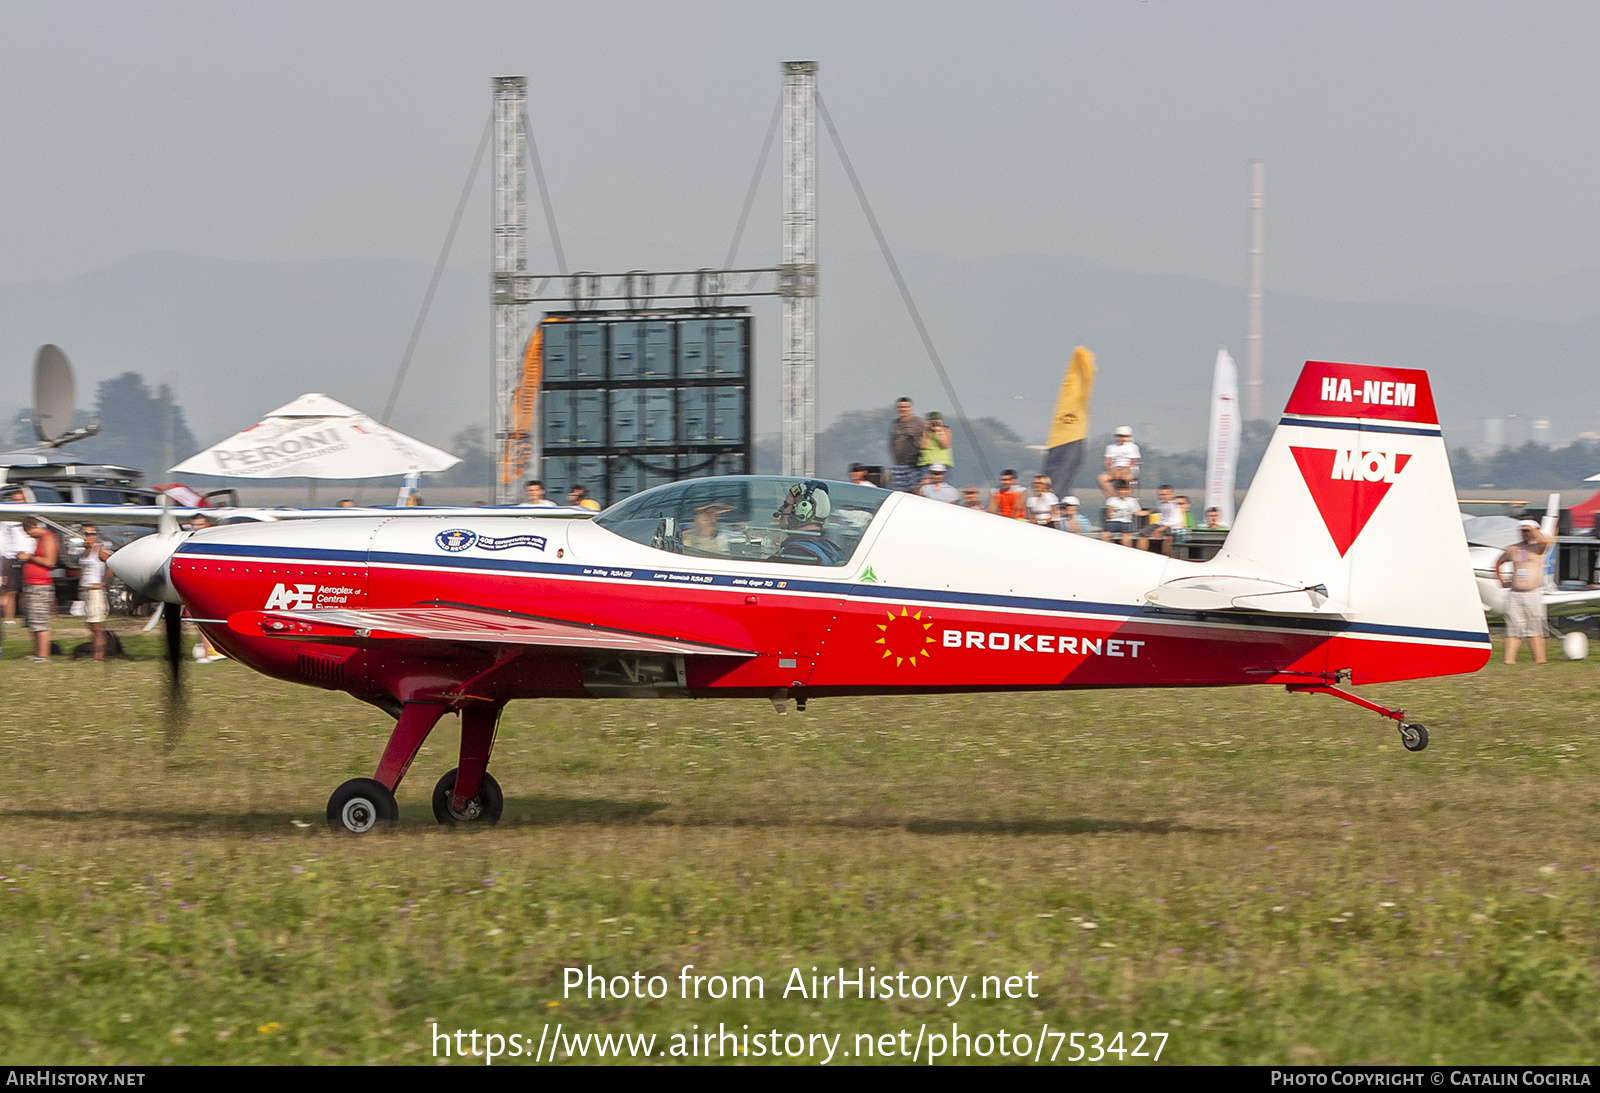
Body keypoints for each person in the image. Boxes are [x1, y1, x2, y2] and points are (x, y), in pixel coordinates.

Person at [1496, 520, 1550, 665]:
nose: (1525, 534)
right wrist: (1501, 580)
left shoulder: (1539, 548)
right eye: (1522, 531)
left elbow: (1544, 541)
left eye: (1528, 531)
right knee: (1513, 628)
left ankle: (1540, 660)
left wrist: (1532, 529)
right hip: (1515, 593)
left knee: (1535, 627)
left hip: (1533, 592)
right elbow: (1498, 562)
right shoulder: (1513, 548)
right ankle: (1509, 661)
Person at [771, 481, 845, 565]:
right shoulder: (829, 548)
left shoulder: (794, 555)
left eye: (786, 505)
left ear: (802, 511)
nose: (780, 509)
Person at [17, 516, 58, 661]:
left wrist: (29, 558)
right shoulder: (39, 541)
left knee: (40, 621)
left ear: (34, 527)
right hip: (31, 584)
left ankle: (44, 655)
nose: (30, 536)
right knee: (33, 621)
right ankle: (37, 652)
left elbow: (49, 561)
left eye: (29, 533)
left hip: (41, 585)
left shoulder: (48, 538)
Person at [77, 525, 112, 661]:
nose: (88, 536)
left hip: (95, 591)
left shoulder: (99, 550)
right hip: (85, 590)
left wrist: (103, 583)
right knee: (90, 624)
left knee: (97, 625)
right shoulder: (85, 551)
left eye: (91, 533)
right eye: (85, 533)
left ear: (96, 535)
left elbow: (111, 564)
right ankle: (96, 653)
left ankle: (99, 656)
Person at [887, 398, 926, 493]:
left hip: (914, 464)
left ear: (910, 408)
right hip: (899, 464)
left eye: (905, 407)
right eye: (900, 407)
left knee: (915, 490)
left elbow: (926, 438)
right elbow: (892, 441)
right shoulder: (895, 423)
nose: (903, 409)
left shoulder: (918, 422)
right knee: (900, 491)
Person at [0, 488, 26, 627]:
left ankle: (27, 618)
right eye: (15, 499)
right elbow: (3, 538)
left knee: (28, 590)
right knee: (11, 590)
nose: (17, 502)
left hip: (29, 557)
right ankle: (9, 618)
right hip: (12, 557)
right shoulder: (7, 519)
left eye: (19, 499)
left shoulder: (30, 516)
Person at [1097, 426, 1141, 497]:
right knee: (1102, 478)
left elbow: (1133, 462)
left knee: (1128, 478)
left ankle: (1127, 498)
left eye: (1124, 436)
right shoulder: (1111, 447)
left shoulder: (1133, 447)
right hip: (1115, 468)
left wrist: (1122, 472)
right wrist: (1112, 472)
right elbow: (1108, 462)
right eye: (1120, 436)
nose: (1122, 438)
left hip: (1128, 469)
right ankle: (1113, 498)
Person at [1141, 485, 1184, 555]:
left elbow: (1176, 520)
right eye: (1161, 495)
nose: (1163, 496)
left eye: (1166, 494)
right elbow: (1158, 509)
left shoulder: (1175, 505)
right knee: (1143, 533)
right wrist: (1148, 512)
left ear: (1171, 494)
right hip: (1161, 522)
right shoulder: (1159, 503)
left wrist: (1160, 529)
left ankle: (1165, 554)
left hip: (1170, 525)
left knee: (1168, 536)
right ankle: (1142, 554)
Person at [1101, 481, 1143, 548]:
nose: (1123, 492)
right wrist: (1110, 510)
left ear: (1128, 491)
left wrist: (1150, 512)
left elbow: (1137, 512)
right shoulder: (1112, 500)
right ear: (1118, 491)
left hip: (1126, 522)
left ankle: (1127, 552)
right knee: (1105, 535)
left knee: (1126, 537)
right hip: (1113, 521)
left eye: (1125, 490)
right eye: (1121, 490)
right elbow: (1109, 514)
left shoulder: (1132, 501)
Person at [918, 411, 953, 477]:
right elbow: (923, 445)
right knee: (926, 486)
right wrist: (927, 430)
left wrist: (939, 431)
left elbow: (945, 444)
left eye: (936, 421)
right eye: (932, 421)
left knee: (942, 486)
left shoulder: (946, 430)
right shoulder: (923, 431)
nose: (934, 424)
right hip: (926, 463)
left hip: (942, 464)